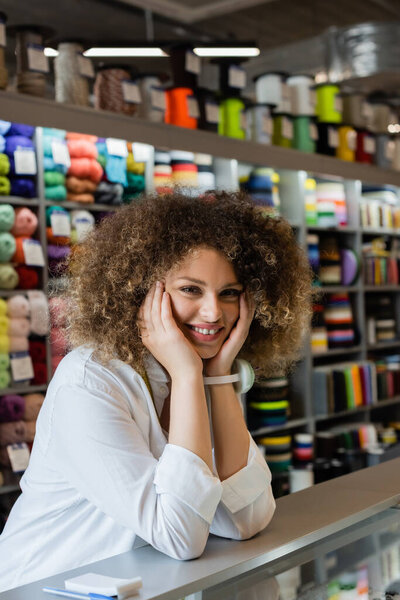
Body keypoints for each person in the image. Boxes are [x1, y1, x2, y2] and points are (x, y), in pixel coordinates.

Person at [0, 191, 312, 590]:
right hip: (40, 590)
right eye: (191, 290)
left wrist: (215, 377)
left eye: (229, 293)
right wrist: (187, 376)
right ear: (143, 290)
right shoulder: (92, 382)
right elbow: (181, 536)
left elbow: (245, 519)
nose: (213, 313)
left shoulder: (197, 371)